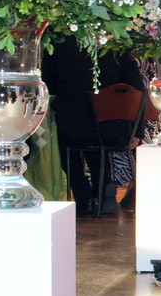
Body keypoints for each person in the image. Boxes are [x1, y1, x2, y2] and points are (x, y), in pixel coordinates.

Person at [43, 38, 147, 214]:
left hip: (72, 125)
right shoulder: (114, 46)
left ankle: (82, 195)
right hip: (113, 128)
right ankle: (103, 188)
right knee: (98, 142)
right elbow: (137, 88)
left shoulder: (59, 44)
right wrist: (137, 130)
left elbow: (49, 83)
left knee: (67, 145)